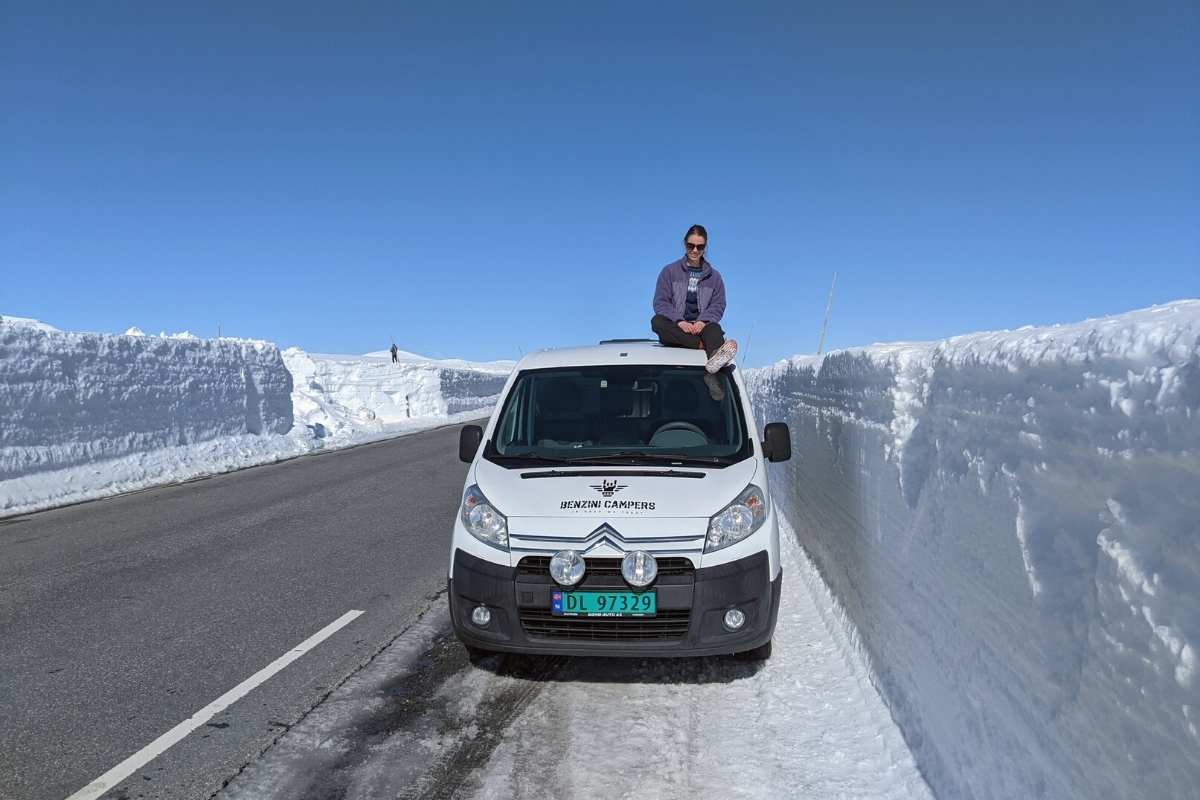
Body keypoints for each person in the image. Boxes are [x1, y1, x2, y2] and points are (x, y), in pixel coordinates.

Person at [651, 225, 738, 389]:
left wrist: (703, 321)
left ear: (705, 247)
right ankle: (701, 345)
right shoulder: (669, 272)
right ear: (684, 244)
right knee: (657, 321)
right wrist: (679, 321)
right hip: (676, 329)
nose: (695, 250)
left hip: (702, 327)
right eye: (691, 245)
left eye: (700, 247)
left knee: (714, 329)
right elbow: (660, 302)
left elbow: (718, 304)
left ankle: (714, 363)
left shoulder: (715, 277)